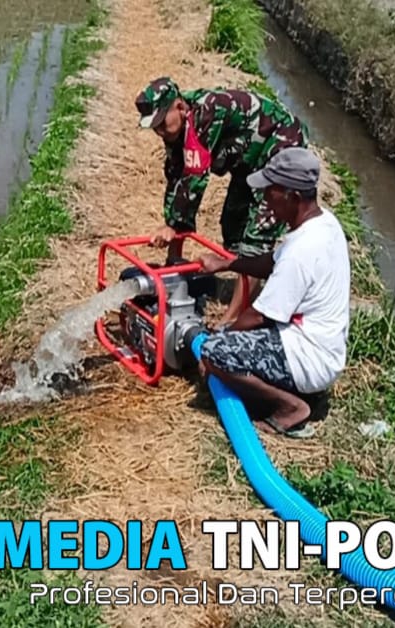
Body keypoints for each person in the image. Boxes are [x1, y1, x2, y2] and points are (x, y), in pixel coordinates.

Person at [195, 147, 351, 438]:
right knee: (227, 343)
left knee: (214, 352)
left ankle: (291, 407)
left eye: (271, 191)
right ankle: (290, 390)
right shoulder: (323, 224)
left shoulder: (302, 251)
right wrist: (226, 263)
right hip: (322, 347)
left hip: (309, 358)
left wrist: (222, 341)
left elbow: (257, 317)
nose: (265, 198)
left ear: (293, 196)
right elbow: (271, 261)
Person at [134, 76, 310, 327]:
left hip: (278, 144)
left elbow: (194, 179)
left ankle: (232, 321)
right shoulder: (177, 128)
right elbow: (176, 177)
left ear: (180, 108)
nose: (159, 132)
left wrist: (175, 225)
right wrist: (171, 264)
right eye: (155, 127)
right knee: (233, 222)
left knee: (257, 234)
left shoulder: (205, 116)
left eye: (162, 124)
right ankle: (245, 283)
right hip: (246, 159)